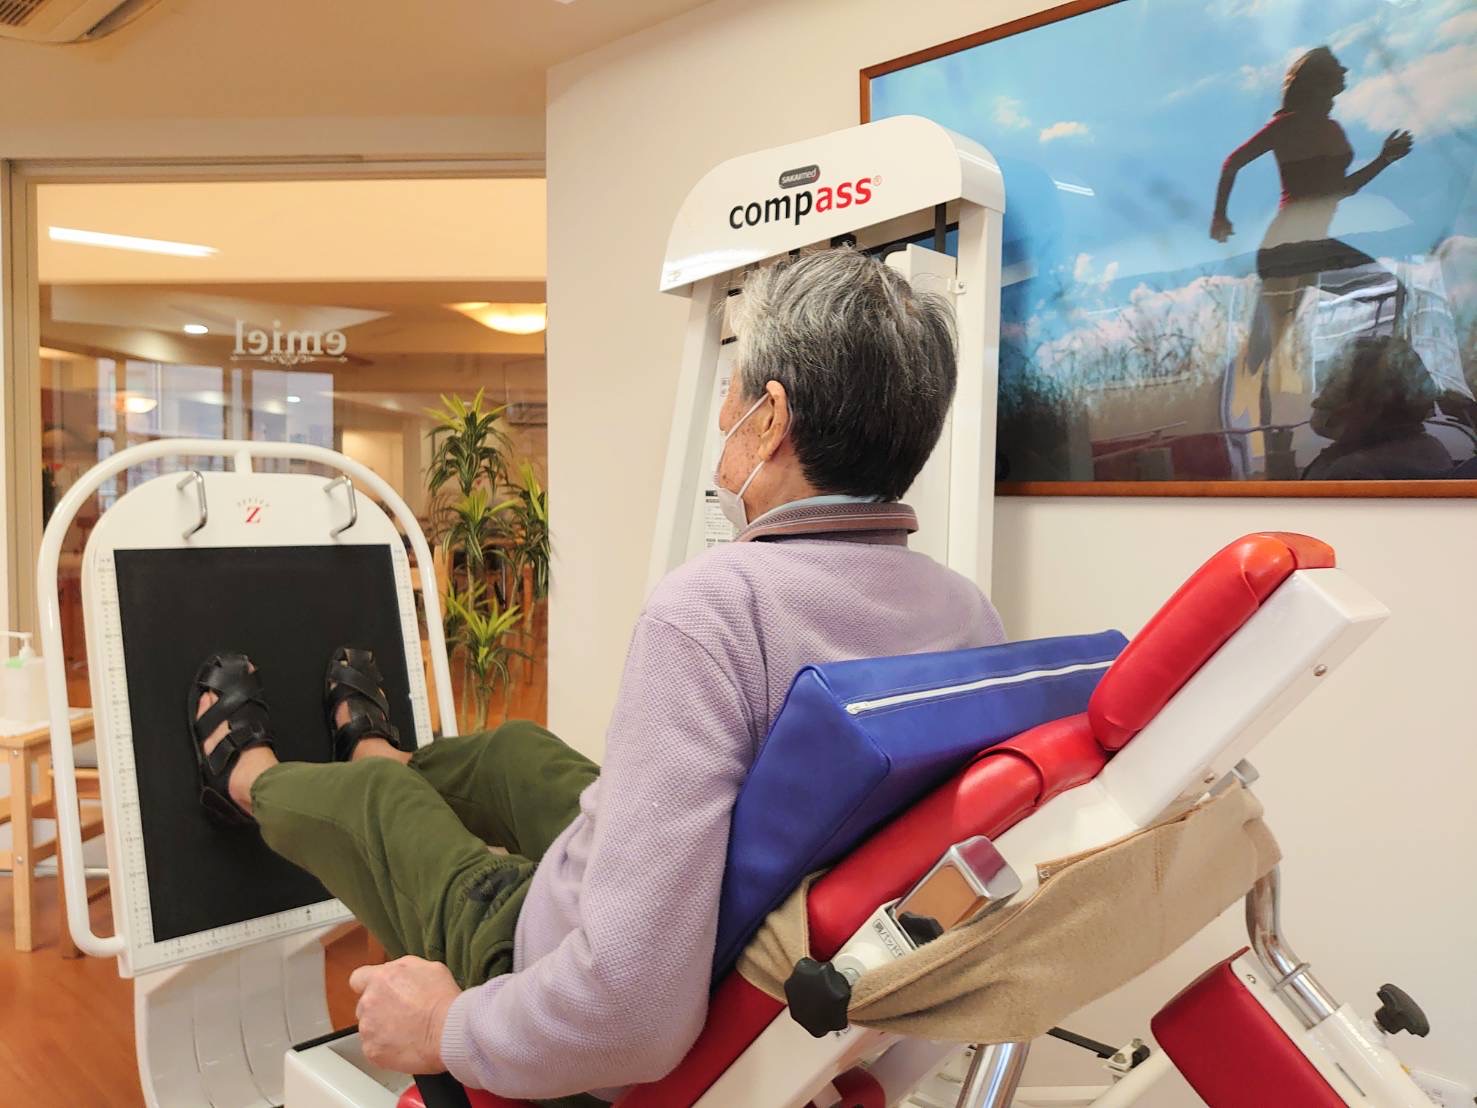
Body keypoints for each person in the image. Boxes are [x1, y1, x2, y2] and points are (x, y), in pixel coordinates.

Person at [183, 248, 1005, 1104]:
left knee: (378, 804)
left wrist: (444, 1025)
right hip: (724, 902)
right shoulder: (963, 613)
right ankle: (377, 750)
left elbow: (629, 1013)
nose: (721, 414)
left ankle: (247, 780)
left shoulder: (717, 608)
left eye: (733, 391)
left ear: (769, 420)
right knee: (514, 752)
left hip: (552, 971)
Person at [1210, 46, 1414, 467]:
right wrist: (1220, 216)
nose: (1345, 71)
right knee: (1267, 346)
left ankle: (1368, 391)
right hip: (1289, 244)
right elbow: (1232, 163)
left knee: (1389, 294)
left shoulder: (1331, 129)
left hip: (1311, 244)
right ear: (1318, 80)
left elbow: (1340, 190)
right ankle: (1249, 438)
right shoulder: (1288, 125)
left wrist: (1384, 159)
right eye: (1337, 68)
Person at [1302, 335, 1452, 480]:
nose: (1316, 402)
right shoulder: (1431, 448)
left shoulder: (1353, 471)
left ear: (1370, 405)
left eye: (1332, 389)